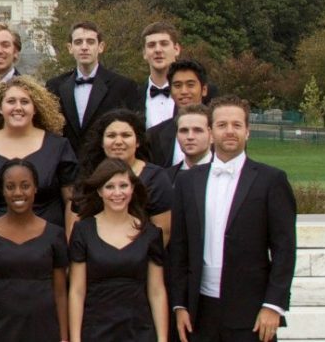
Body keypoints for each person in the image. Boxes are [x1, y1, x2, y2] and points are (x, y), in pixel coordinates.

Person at [168, 98, 296, 342]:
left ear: (247, 132)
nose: (229, 131)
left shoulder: (271, 180)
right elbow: (179, 248)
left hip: (252, 312)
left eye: (237, 125)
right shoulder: (187, 181)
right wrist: (180, 305)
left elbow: (285, 249)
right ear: (211, 132)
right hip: (199, 311)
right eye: (222, 124)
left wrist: (273, 305)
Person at [0, 158, 69, 342]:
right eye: (10, 186)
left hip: (44, 331)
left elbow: (60, 293)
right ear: (2, 190)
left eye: (25, 186)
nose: (18, 193)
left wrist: (64, 338)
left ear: (35, 188)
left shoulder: (55, 234)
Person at [69, 159, 167, 342]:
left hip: (139, 329)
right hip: (96, 329)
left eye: (123, 185)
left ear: (132, 189)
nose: (117, 193)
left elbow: (157, 290)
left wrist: (162, 338)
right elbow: (76, 290)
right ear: (99, 190)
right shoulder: (83, 230)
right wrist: (75, 338)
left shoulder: (150, 233)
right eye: (110, 186)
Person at [0, 78, 77, 229]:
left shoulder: (59, 146)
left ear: (35, 108)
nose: (18, 107)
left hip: (48, 245)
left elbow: (72, 201)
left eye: (25, 102)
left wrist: (69, 244)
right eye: (11, 101)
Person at [76, 109, 175, 242]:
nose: (118, 141)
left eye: (126, 135)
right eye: (111, 136)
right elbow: (75, 222)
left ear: (138, 141)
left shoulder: (156, 177)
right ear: (101, 142)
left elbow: (164, 230)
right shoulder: (89, 173)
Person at [45, 21, 143, 150]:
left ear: (100, 47)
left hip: (107, 164)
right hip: (67, 165)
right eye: (78, 42)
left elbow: (132, 129)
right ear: (70, 48)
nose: (84, 47)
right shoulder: (54, 86)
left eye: (90, 42)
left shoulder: (123, 86)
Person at [149, 60, 211, 169]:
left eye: (190, 85)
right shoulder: (153, 136)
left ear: (204, 89)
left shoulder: (221, 131)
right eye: (177, 85)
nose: (184, 91)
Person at [138, 23, 184, 137]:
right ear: (144, 53)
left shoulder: (196, 94)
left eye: (164, 44)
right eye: (151, 45)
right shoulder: (133, 96)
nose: (158, 50)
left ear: (176, 49)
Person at [171, 104, 215, 177]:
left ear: (212, 136)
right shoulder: (166, 177)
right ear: (177, 136)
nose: (190, 137)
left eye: (198, 130)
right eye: (184, 131)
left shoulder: (225, 174)